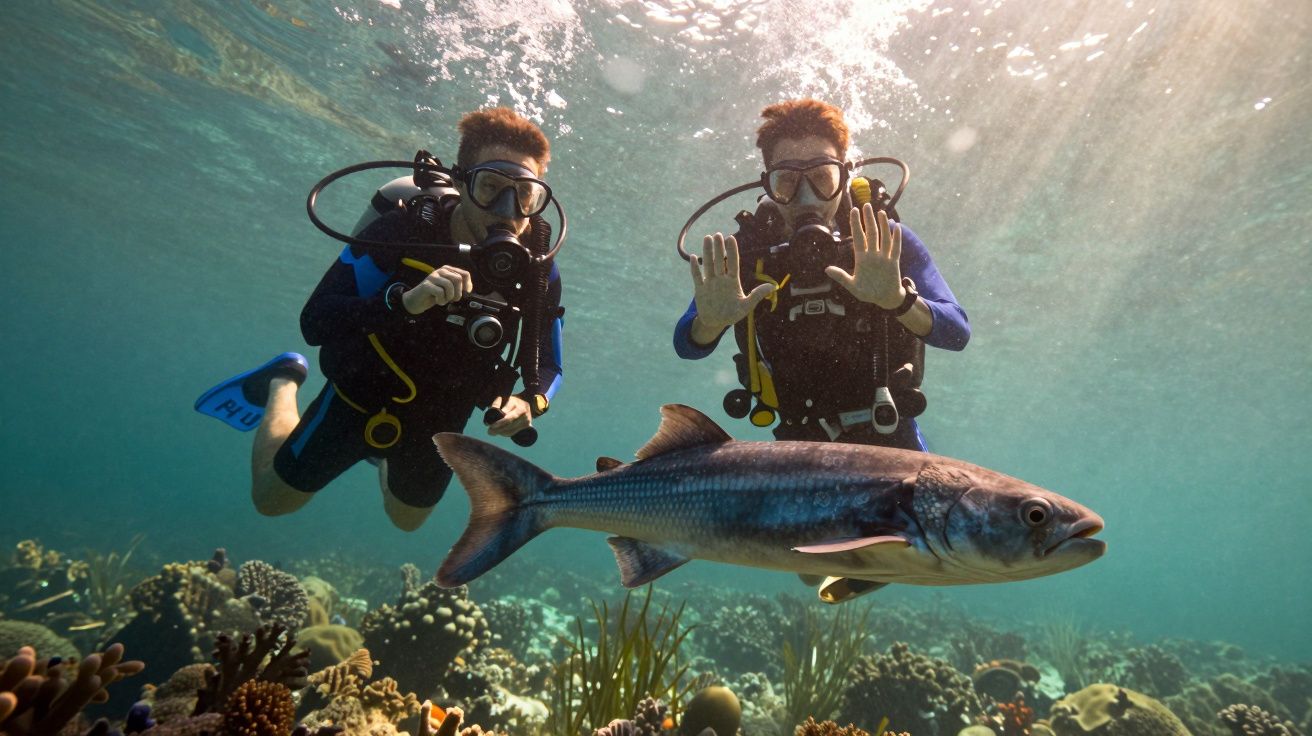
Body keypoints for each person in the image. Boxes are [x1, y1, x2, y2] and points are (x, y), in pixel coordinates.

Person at [196, 107, 564, 531]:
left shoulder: (539, 272)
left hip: (441, 417)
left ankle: (383, 455)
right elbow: (315, 321)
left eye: (525, 194)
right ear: (461, 182)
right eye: (491, 187)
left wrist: (530, 400)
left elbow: (549, 366)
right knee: (271, 501)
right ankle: (283, 379)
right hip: (359, 395)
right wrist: (401, 303)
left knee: (407, 520)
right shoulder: (403, 231)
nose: (508, 210)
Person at [673, 99, 968, 450]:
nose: (807, 198)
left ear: (845, 175)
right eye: (787, 182)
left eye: (822, 177)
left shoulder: (886, 240)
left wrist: (899, 301)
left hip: (890, 435)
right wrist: (709, 323)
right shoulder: (747, 252)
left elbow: (957, 333)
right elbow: (686, 345)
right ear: (768, 185)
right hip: (796, 438)